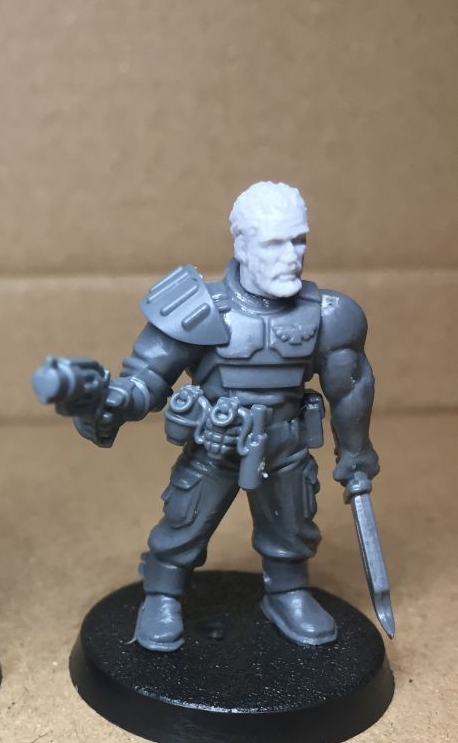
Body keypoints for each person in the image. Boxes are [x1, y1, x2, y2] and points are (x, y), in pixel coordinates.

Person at [62, 181, 379, 649]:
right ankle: (162, 595)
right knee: (184, 524)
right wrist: (114, 401)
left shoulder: (330, 315)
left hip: (285, 442)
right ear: (242, 245)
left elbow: (349, 388)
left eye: (299, 240)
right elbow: (148, 377)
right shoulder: (197, 309)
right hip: (217, 441)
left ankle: (287, 591)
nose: (291, 256)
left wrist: (355, 452)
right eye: (274, 243)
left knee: (292, 525)